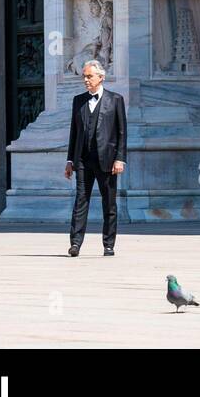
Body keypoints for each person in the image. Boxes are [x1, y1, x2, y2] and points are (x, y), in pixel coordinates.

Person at [64, 60, 127, 256]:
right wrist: (69, 161)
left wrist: (120, 159)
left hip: (107, 161)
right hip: (83, 160)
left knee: (109, 202)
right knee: (80, 200)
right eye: (84, 76)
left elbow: (122, 132)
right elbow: (74, 133)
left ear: (101, 77)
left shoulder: (115, 100)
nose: (85, 80)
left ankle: (108, 244)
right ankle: (75, 244)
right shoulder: (78, 100)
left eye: (89, 76)